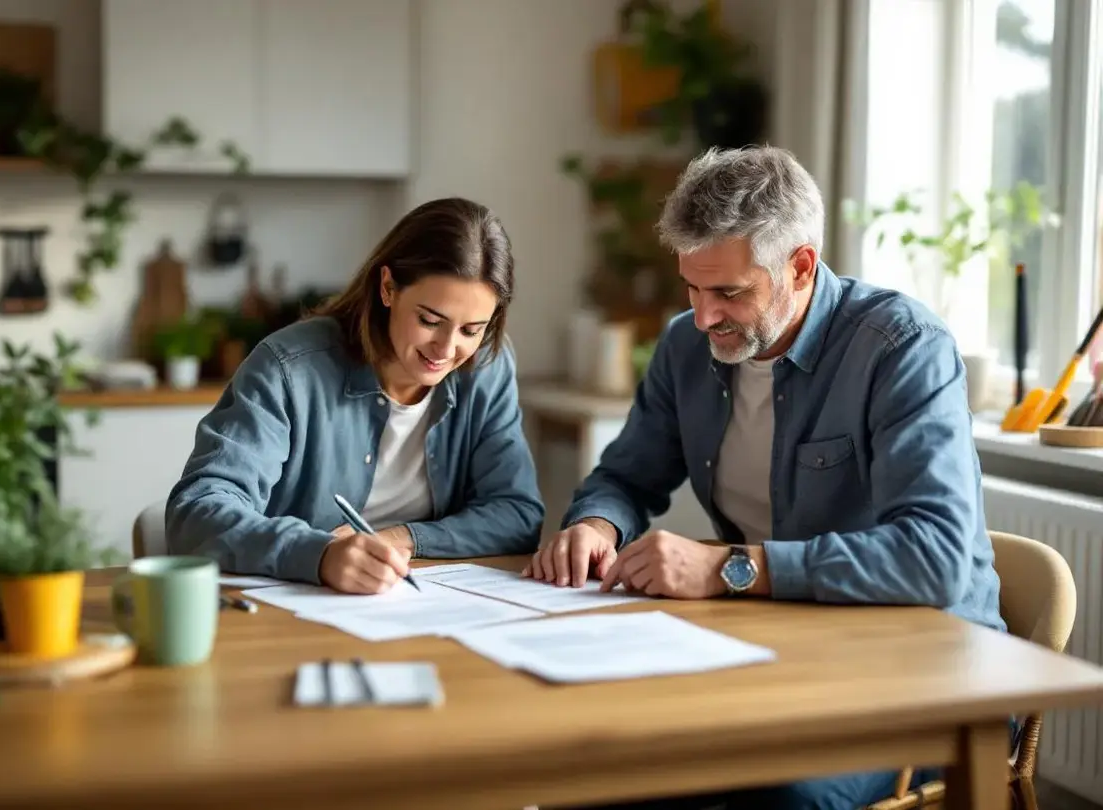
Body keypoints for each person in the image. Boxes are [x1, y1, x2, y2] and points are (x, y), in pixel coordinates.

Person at [525, 146, 1007, 810]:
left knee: (785, 793)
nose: (703, 317)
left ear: (800, 266)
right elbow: (627, 477)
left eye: (729, 292)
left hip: (930, 666)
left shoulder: (902, 349)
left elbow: (937, 560)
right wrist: (595, 522)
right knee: (608, 761)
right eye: (692, 289)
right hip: (782, 647)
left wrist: (730, 569)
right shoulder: (684, 347)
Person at [167, 197, 544, 594]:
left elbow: (517, 514)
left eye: (472, 330)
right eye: (430, 320)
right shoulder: (289, 367)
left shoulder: (487, 366)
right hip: (290, 613)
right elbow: (196, 514)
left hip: (420, 605)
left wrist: (402, 538)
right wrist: (319, 554)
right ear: (387, 288)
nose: (447, 349)